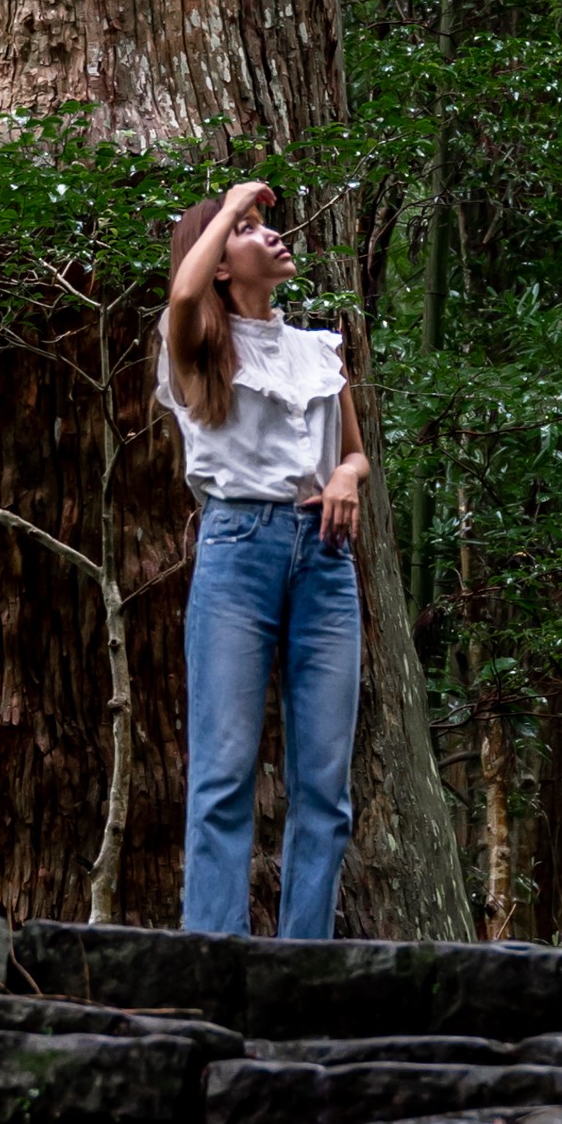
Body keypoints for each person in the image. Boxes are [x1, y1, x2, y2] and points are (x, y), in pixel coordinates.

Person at [158, 180, 373, 938]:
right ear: (220, 261)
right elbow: (185, 291)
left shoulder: (318, 349)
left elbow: (353, 453)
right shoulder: (195, 339)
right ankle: (213, 955)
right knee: (222, 774)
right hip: (236, 552)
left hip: (325, 560)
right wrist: (225, 206)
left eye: (263, 223)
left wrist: (346, 476)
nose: (269, 232)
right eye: (250, 230)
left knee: (325, 785)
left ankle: (303, 962)